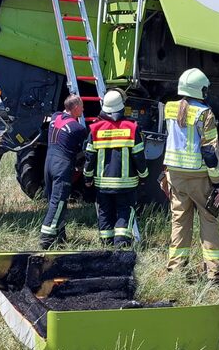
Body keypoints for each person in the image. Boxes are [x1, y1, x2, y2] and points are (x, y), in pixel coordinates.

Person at [163, 68, 219, 282]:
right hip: (199, 176)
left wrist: (166, 173)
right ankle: (215, 273)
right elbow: (210, 152)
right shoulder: (205, 113)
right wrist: (217, 183)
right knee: (209, 220)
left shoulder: (169, 108)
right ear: (201, 90)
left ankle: (176, 270)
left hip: (175, 175)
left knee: (179, 221)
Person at [83, 90, 148, 248]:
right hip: (126, 184)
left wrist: (87, 178)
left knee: (105, 212)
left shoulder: (95, 129)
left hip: (103, 184)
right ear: (121, 107)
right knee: (124, 211)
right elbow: (138, 156)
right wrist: (144, 176)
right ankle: (121, 244)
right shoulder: (131, 128)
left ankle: (106, 244)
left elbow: (89, 157)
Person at [39, 94, 88, 249]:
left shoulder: (55, 117)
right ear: (74, 108)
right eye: (81, 106)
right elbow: (85, 148)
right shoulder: (78, 128)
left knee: (53, 201)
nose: (83, 109)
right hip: (62, 165)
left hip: (48, 163)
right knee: (58, 202)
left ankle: (60, 235)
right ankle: (46, 239)